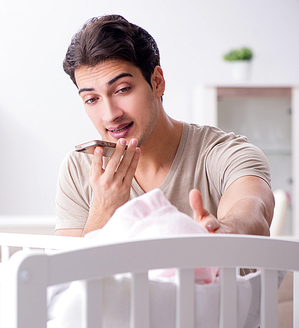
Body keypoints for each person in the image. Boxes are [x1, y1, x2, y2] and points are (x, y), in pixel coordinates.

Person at [55, 14, 274, 237]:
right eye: (92, 99)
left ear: (157, 82)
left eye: (122, 89)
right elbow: (70, 271)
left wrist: (225, 231)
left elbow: (253, 208)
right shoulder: (79, 168)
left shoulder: (223, 154)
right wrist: (104, 210)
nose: (110, 115)